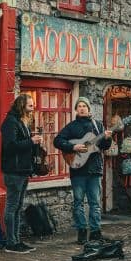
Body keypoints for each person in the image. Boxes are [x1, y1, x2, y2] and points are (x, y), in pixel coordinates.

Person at [53, 97, 112, 244]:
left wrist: (107, 138)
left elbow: (104, 147)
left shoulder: (97, 126)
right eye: (79, 106)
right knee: (78, 202)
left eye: (84, 105)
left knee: (95, 203)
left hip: (95, 169)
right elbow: (57, 141)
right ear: (76, 110)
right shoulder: (71, 127)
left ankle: (95, 232)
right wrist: (73, 147)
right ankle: (81, 231)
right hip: (78, 169)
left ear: (88, 108)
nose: (81, 108)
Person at [1, 94, 43, 253]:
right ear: (21, 105)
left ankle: (16, 240)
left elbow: (22, 144)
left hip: (23, 170)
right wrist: (31, 141)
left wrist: (33, 141)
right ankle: (11, 243)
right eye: (30, 105)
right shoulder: (10, 122)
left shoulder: (21, 122)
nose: (33, 107)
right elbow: (10, 146)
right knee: (12, 207)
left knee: (18, 207)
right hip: (14, 171)